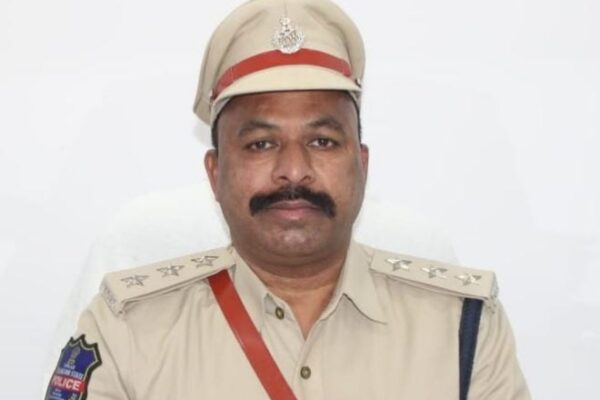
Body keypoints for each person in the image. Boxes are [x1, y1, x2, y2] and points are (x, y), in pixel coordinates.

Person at [45, 0, 530, 399]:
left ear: (362, 165)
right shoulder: (128, 330)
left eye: (322, 141)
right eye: (261, 144)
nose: (294, 170)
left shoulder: (462, 329)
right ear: (215, 173)